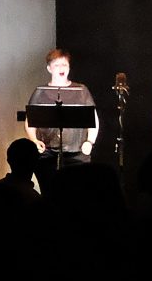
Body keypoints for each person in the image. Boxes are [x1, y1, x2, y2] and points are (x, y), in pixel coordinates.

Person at [24, 48, 98, 190]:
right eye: (57, 65)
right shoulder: (40, 91)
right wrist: (33, 140)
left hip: (77, 153)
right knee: (49, 190)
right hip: (47, 153)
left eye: (64, 64)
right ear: (49, 68)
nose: (61, 68)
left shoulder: (81, 90)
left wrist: (90, 141)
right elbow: (30, 119)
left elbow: (93, 119)